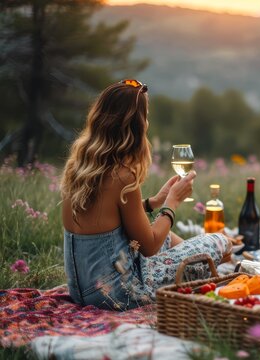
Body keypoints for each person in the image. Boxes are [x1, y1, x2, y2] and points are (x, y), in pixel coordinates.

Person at [60, 79, 232, 310]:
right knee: (220, 240)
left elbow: (104, 218)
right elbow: (149, 246)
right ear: (136, 124)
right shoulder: (123, 175)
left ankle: (214, 269)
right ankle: (227, 272)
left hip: (82, 290)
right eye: (146, 115)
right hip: (119, 294)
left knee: (169, 238)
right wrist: (172, 203)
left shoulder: (77, 166)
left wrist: (153, 203)